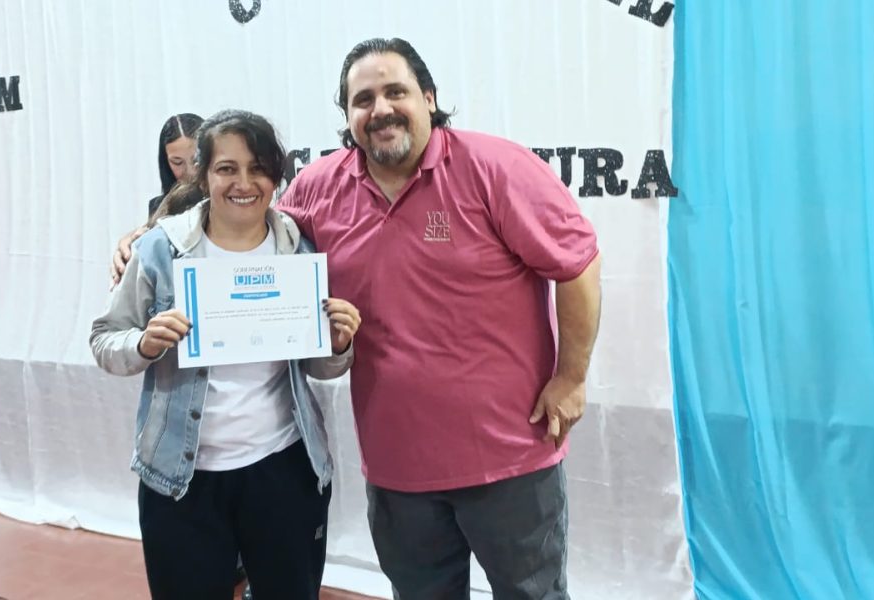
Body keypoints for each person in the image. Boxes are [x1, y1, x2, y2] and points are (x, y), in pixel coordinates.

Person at [280, 38, 601, 599]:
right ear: (347, 115)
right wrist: (154, 236)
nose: (380, 109)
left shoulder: (496, 168)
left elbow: (577, 264)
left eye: (395, 92)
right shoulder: (316, 189)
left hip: (510, 456)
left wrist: (571, 378)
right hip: (396, 467)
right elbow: (245, 242)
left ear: (428, 97)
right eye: (363, 99)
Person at [92, 109, 361, 599]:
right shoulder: (159, 251)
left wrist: (338, 343)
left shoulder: (297, 248)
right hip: (181, 479)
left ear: (276, 176)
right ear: (203, 175)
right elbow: (105, 340)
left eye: (258, 168)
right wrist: (144, 344)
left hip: (283, 468)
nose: (244, 183)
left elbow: (317, 367)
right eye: (227, 169)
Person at [149, 113, 204, 217]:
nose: (191, 172)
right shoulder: (157, 208)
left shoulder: (225, 201)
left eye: (197, 160)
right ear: (166, 163)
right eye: (177, 162)